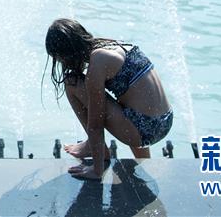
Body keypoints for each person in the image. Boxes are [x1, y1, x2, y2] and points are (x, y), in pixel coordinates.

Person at [45, 18, 172, 180]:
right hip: (164, 122)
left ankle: (96, 149)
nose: (61, 62)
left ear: (67, 52)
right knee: (129, 101)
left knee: (72, 82)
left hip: (145, 131)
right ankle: (142, 160)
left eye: (59, 57)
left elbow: (96, 124)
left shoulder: (97, 64)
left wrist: (97, 171)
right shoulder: (111, 44)